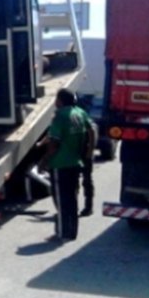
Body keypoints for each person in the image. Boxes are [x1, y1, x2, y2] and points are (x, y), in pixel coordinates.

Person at [38, 89, 92, 242]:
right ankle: (72, 232)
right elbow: (91, 130)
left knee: (61, 200)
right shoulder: (80, 113)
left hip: (60, 163)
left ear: (60, 100)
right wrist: (88, 151)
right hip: (75, 162)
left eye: (56, 98)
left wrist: (44, 160)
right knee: (72, 198)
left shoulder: (60, 116)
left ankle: (62, 233)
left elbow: (54, 143)